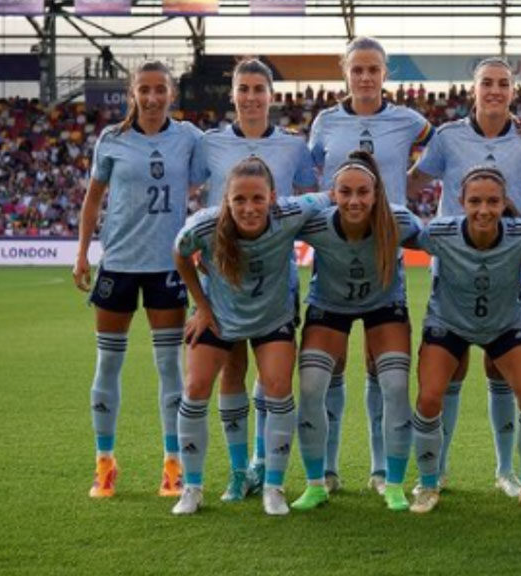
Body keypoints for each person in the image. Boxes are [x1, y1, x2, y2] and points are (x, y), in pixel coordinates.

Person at [406, 57, 521, 497]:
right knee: (450, 369)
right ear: (473, 90)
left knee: (499, 367)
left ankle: (505, 471)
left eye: (503, 84)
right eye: (487, 83)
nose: (494, 90)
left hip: (506, 267)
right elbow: (415, 183)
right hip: (452, 267)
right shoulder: (448, 137)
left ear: (513, 91)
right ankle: (438, 471)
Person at [73, 60, 206, 500]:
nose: (151, 97)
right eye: (143, 90)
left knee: (170, 367)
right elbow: (92, 201)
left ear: (171, 93)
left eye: (159, 90)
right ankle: (104, 463)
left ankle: (173, 466)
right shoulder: (111, 140)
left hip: (167, 266)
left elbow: (215, 175)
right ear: (132, 93)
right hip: (118, 266)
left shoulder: (188, 138)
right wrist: (82, 254)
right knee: (107, 364)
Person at [308, 36, 434, 494]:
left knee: (380, 369)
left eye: (373, 69)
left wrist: (407, 186)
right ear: (345, 71)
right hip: (335, 254)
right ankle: (328, 469)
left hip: (384, 254)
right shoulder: (325, 122)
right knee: (331, 367)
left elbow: (443, 151)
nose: (365, 77)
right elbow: (311, 176)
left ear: (385, 74)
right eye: (357, 69)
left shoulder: (408, 120)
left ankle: (382, 471)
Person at [170, 156, 331, 516]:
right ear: (226, 200)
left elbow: (331, 195)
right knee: (195, 387)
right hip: (221, 317)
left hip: (273, 317)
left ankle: (273, 486)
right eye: (239, 199)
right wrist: (202, 306)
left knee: (277, 386)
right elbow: (180, 254)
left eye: (257, 198)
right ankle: (194, 488)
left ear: (272, 197)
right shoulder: (205, 226)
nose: (249, 207)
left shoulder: (291, 213)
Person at [199, 58, 318, 502]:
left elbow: (309, 205)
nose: (250, 97)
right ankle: (237, 472)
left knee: (274, 379)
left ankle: (263, 464)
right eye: (243, 89)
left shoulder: (293, 148)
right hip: (223, 278)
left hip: (275, 279)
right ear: (233, 94)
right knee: (233, 370)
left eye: (258, 89)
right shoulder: (207, 143)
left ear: (271, 96)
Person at [409, 165, 521, 514]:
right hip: (448, 323)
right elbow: (399, 234)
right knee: (428, 398)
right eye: (475, 201)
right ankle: (428, 484)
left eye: (492, 201)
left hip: (503, 325)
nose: (483, 209)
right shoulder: (439, 232)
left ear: (505, 203)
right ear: (460, 201)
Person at [290, 150, 421, 513]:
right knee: (312, 386)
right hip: (329, 305)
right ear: (333, 194)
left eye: (363, 192)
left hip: (384, 304)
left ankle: (392, 482)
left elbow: (442, 242)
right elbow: (275, 221)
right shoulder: (316, 223)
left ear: (376, 194)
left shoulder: (399, 222)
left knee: (395, 386)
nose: (354, 200)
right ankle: (317, 482)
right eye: (345, 192)